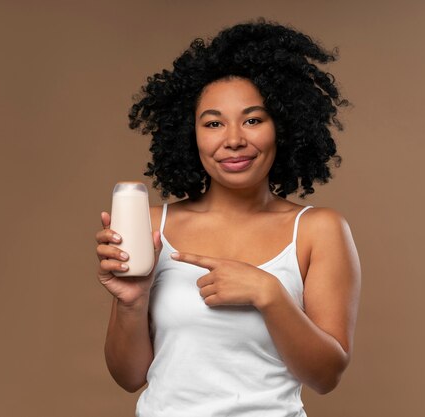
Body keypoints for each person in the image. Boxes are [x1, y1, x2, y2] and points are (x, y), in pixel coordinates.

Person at [95, 19, 361, 417]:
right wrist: (131, 303)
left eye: (253, 119)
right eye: (213, 123)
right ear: (191, 134)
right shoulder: (152, 226)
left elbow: (326, 376)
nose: (234, 139)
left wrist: (269, 295)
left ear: (283, 128)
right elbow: (130, 376)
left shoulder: (317, 230)